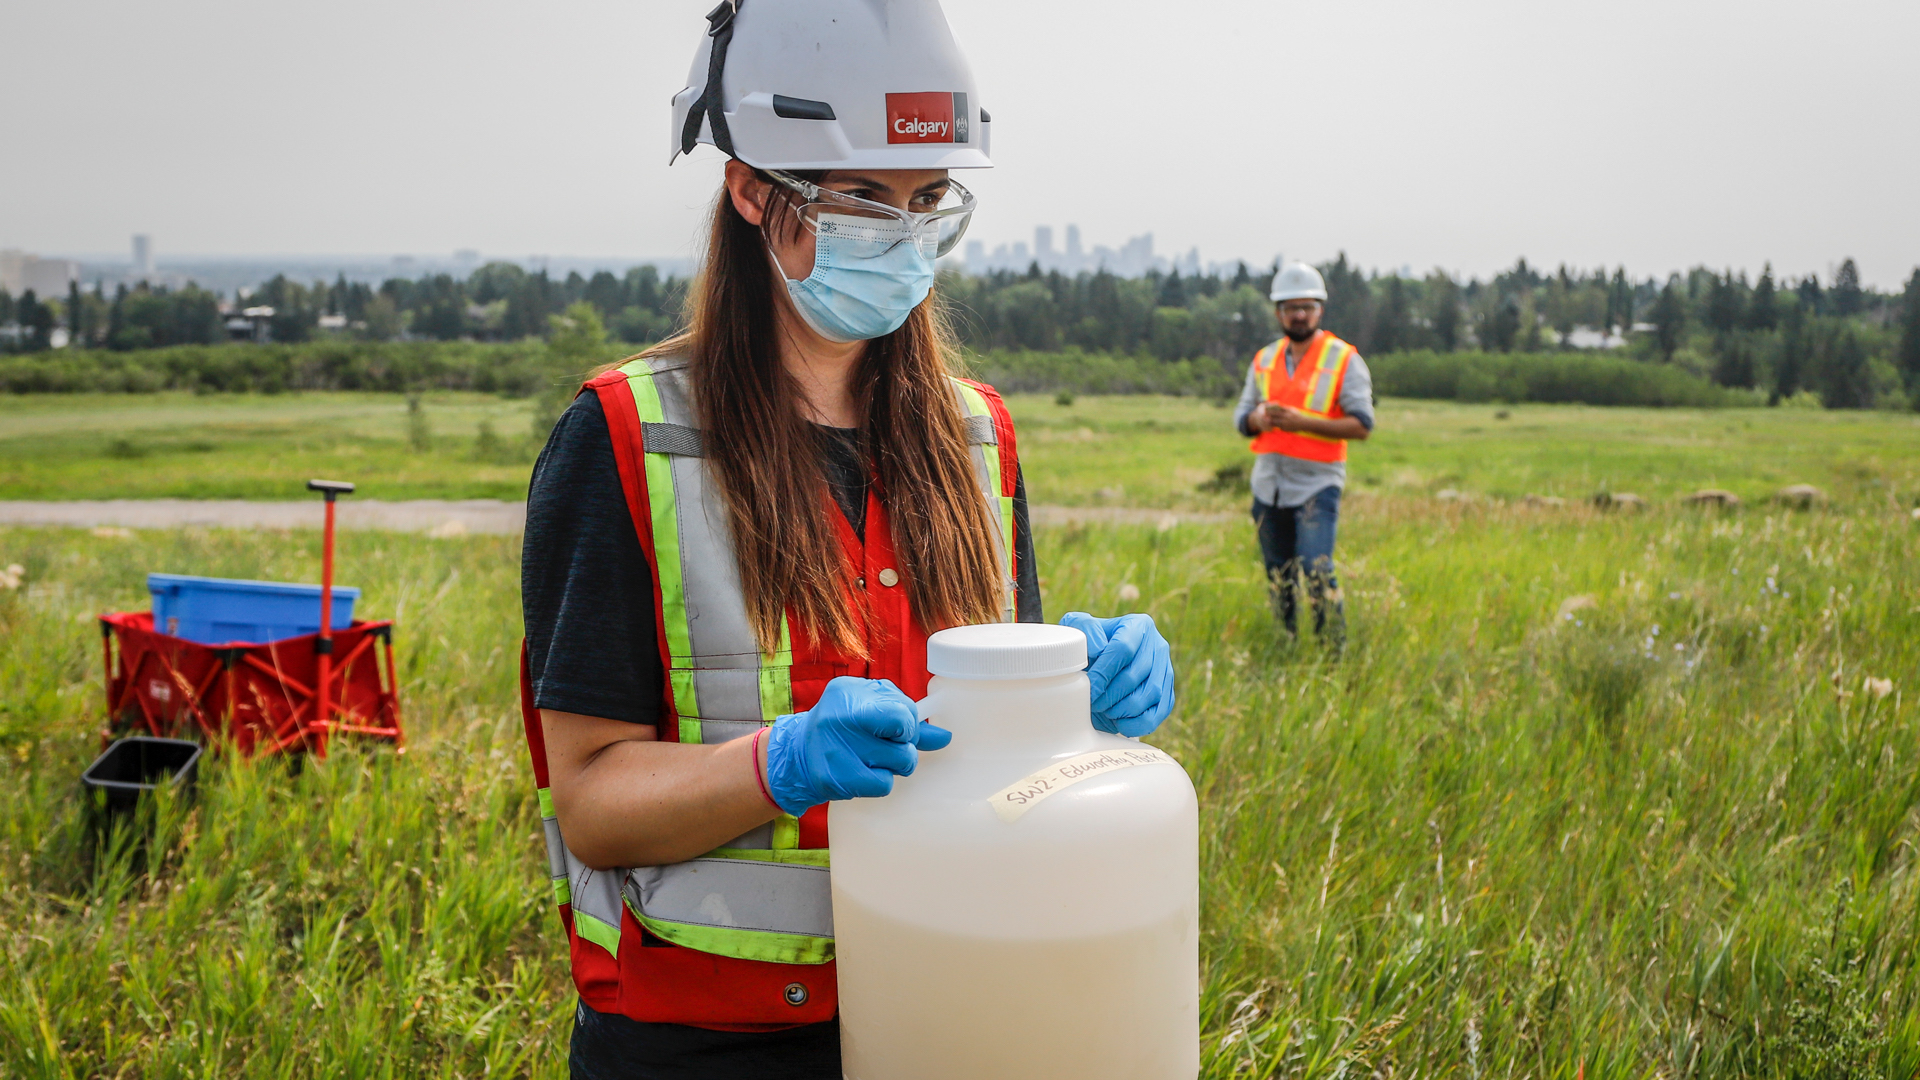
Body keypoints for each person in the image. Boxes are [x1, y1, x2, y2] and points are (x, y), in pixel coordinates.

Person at [517, 3, 1177, 1077]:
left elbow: (999, 759)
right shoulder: (623, 440)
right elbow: (590, 802)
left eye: (927, 200)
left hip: (947, 994)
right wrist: (777, 765)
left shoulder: (977, 435)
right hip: (704, 1036)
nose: (903, 231)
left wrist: (1072, 705)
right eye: (864, 195)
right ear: (749, 189)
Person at [1231, 263, 1376, 643]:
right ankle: (1287, 642)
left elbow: (1362, 424)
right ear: (1278, 312)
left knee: (1316, 569)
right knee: (1278, 575)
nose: (1299, 314)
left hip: (1317, 484)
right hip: (1269, 486)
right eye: (1291, 307)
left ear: (1319, 310)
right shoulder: (1263, 359)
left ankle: (1333, 651)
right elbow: (1240, 417)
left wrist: (1302, 422)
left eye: (1307, 307)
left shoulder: (1344, 359)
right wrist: (1257, 418)